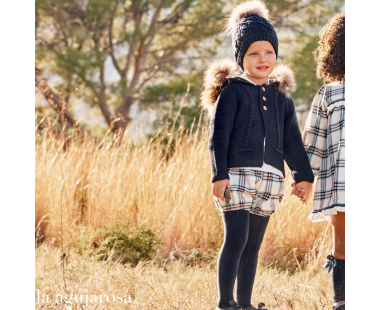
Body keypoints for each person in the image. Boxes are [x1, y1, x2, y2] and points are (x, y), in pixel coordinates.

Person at [200, 1, 314, 309]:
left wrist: (303, 176)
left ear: (276, 54)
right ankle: (225, 302)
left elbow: (292, 141)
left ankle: (246, 303)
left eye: (268, 52)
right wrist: (218, 174)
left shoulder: (281, 98)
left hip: (271, 180)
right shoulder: (233, 90)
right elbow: (218, 136)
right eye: (253, 53)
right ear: (241, 57)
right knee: (236, 240)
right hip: (237, 176)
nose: (262, 59)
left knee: (253, 245)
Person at [291, 13, 345, 310]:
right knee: (342, 245)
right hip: (341, 188)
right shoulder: (329, 94)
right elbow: (312, 143)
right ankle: (343, 301)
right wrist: (303, 179)